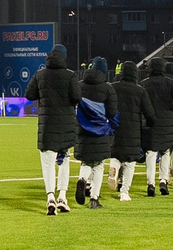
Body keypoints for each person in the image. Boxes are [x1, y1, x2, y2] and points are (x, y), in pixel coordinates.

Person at [31, 47, 81, 216]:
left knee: (48, 162)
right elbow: (76, 97)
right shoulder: (70, 75)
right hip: (66, 125)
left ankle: (50, 197)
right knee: (64, 161)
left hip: (47, 125)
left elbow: (29, 94)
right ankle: (62, 197)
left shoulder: (40, 74)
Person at [75, 57, 116, 208]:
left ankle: (82, 179)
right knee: (98, 165)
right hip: (100, 130)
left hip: (82, 129)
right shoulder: (108, 88)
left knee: (86, 161)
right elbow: (112, 112)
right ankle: (94, 199)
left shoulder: (79, 86)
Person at [109, 60, 148, 202]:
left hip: (115, 127)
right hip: (132, 129)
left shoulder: (112, 87)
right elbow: (148, 111)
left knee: (116, 154)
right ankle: (124, 192)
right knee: (130, 161)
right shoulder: (140, 90)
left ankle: (113, 169)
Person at [142, 57, 173, 195]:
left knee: (151, 153)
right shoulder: (170, 83)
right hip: (167, 122)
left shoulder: (144, 84)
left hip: (150, 123)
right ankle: (163, 180)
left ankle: (151, 183)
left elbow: (142, 105)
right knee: (165, 152)